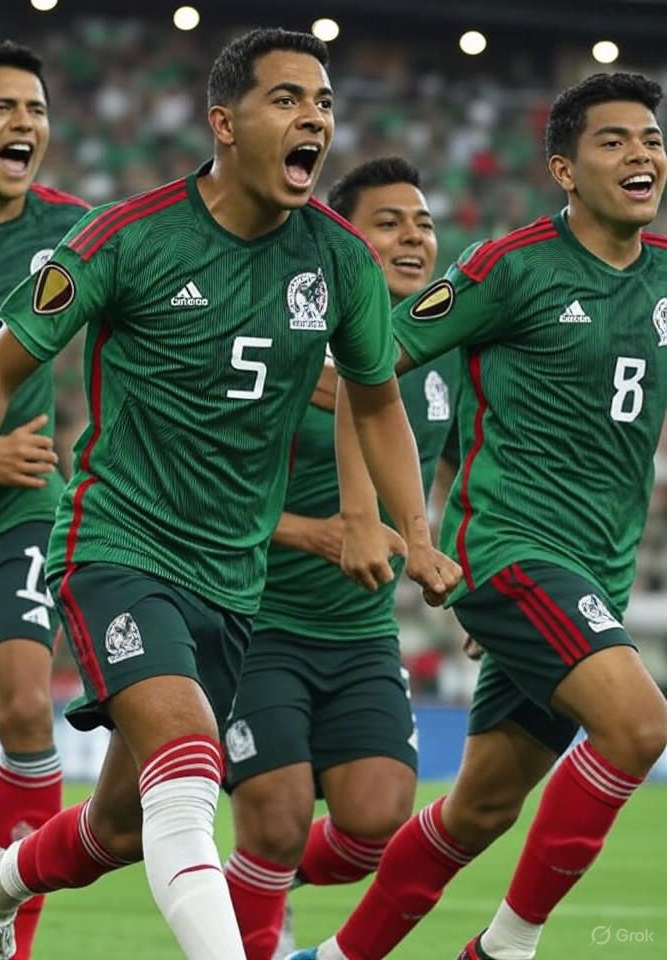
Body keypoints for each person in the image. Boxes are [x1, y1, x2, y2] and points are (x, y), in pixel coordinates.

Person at [0, 28, 460, 960]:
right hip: (115, 547)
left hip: (231, 580)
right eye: (287, 99)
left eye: (324, 103)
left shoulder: (340, 261)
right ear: (224, 123)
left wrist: (413, 533)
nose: (314, 117)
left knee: (125, 828)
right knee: (188, 768)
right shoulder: (128, 237)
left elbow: (377, 402)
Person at [287, 71, 667, 960]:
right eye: (613, 140)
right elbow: (372, 363)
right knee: (642, 725)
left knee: (480, 809)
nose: (641, 152)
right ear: (564, 170)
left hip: (594, 576)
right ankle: (504, 949)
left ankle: (327, 950)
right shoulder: (510, 267)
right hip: (512, 551)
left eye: (650, 137)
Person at [222, 156, 461, 960]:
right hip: (257, 619)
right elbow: (213, 490)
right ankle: (255, 914)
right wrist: (310, 532)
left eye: (423, 223)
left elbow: (471, 472)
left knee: (374, 820)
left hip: (361, 633)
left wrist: (466, 571)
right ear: (342, 238)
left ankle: (268, 890)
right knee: (279, 818)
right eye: (388, 223)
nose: (412, 237)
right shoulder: (287, 336)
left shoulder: (444, 352)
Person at [0, 41, 89, 960]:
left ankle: (2, 931)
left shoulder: (80, 232)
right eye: (4, 109)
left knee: (30, 708)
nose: (25, 125)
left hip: (22, 512)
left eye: (35, 111)